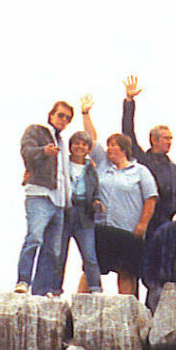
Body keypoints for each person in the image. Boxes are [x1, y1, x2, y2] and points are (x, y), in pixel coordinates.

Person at [82, 100, 159, 295]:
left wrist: (143, 224)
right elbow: (90, 140)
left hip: (128, 230)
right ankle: (79, 306)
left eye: (113, 145)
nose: (108, 149)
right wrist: (85, 114)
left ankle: (127, 311)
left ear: (123, 149)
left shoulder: (140, 171)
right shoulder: (102, 165)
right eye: (108, 145)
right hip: (101, 227)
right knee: (91, 268)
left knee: (126, 272)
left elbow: (151, 198)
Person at [16, 99, 75, 295]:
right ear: (51, 115)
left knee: (53, 249)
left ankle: (41, 290)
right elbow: (26, 151)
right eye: (60, 115)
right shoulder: (37, 130)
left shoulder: (62, 141)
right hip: (40, 194)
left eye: (67, 118)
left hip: (59, 200)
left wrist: (68, 201)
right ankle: (23, 280)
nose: (63, 120)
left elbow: (64, 172)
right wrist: (43, 151)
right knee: (34, 238)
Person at [121, 75, 176, 238]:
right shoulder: (142, 160)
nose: (169, 142)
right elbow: (128, 132)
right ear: (154, 140)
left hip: (164, 225)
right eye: (165, 138)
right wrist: (129, 101)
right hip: (141, 222)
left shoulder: (174, 170)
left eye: (171, 138)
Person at [53, 130, 104, 294]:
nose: (80, 147)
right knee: (59, 254)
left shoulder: (91, 169)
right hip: (65, 211)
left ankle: (95, 288)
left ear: (88, 148)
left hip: (84, 213)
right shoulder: (62, 164)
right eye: (77, 143)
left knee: (90, 255)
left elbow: (95, 190)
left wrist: (97, 202)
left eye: (84, 144)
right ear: (70, 146)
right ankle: (55, 289)